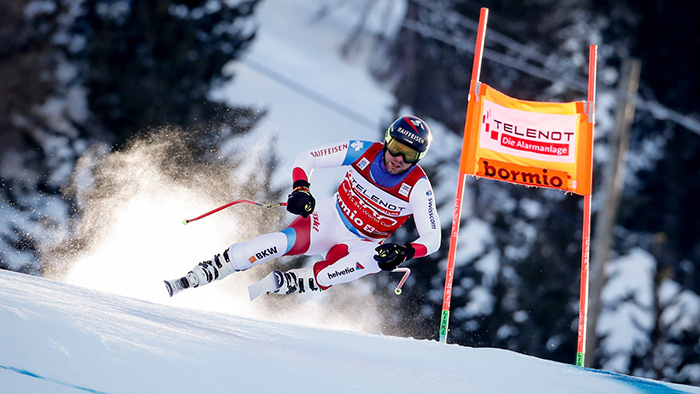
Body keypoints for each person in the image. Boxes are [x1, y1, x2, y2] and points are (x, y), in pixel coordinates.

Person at [164, 115, 441, 299]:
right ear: (386, 140)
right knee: (273, 244)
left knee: (373, 260)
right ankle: (202, 274)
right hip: (331, 219)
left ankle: (286, 283)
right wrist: (301, 187)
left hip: (363, 243)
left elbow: (433, 238)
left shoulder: (418, 186)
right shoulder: (363, 150)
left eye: (409, 155)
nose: (397, 158)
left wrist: (405, 251)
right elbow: (308, 157)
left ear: (419, 158)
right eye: (394, 147)